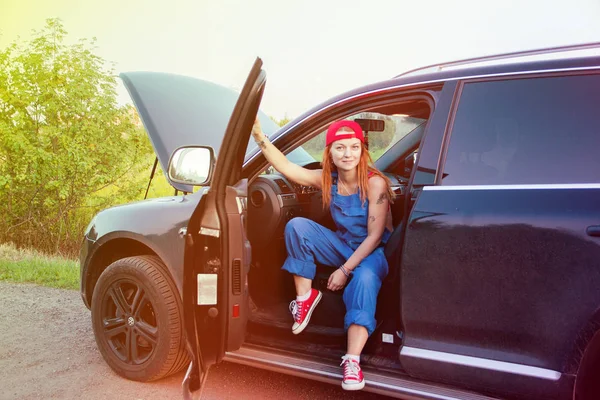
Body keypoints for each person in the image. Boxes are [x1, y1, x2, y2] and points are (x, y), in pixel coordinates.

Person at [251, 117, 394, 391]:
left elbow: (375, 237)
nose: (347, 154)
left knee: (363, 281)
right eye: (339, 148)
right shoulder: (327, 180)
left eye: (354, 147)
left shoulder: (375, 184)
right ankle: (305, 298)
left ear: (362, 151)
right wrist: (260, 137)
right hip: (343, 245)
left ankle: (352, 361)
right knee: (297, 227)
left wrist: (344, 270)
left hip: (371, 253)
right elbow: (288, 168)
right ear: (329, 152)